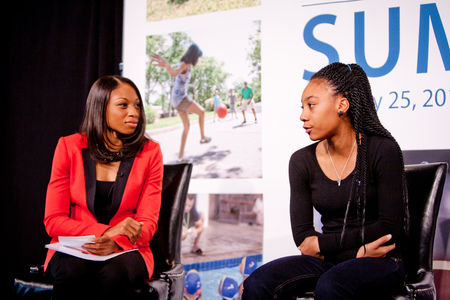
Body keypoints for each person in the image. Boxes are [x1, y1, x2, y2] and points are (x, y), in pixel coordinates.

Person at [242, 63, 408, 299]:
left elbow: (388, 228)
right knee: (258, 283)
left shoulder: (383, 150)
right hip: (336, 260)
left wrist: (322, 246)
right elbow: (303, 237)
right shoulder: (301, 161)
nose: (303, 115)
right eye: (302, 107)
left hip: (382, 259)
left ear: (342, 104)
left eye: (311, 105)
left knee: (331, 286)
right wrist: (354, 252)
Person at [43, 76, 164, 299]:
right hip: (77, 245)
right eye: (123, 105)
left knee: (114, 274)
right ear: (100, 107)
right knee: (72, 272)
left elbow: (147, 223)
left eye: (137, 105)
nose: (134, 112)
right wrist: (106, 233)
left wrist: (116, 242)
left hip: (128, 248)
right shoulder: (68, 147)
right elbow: (53, 221)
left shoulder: (150, 152)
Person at [152, 44, 211, 163]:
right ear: (194, 56)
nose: (198, 60)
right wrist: (167, 65)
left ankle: (180, 157)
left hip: (177, 99)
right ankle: (203, 138)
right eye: (198, 57)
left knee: (186, 126)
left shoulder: (187, 65)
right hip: (180, 98)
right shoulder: (184, 64)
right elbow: (174, 73)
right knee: (202, 112)